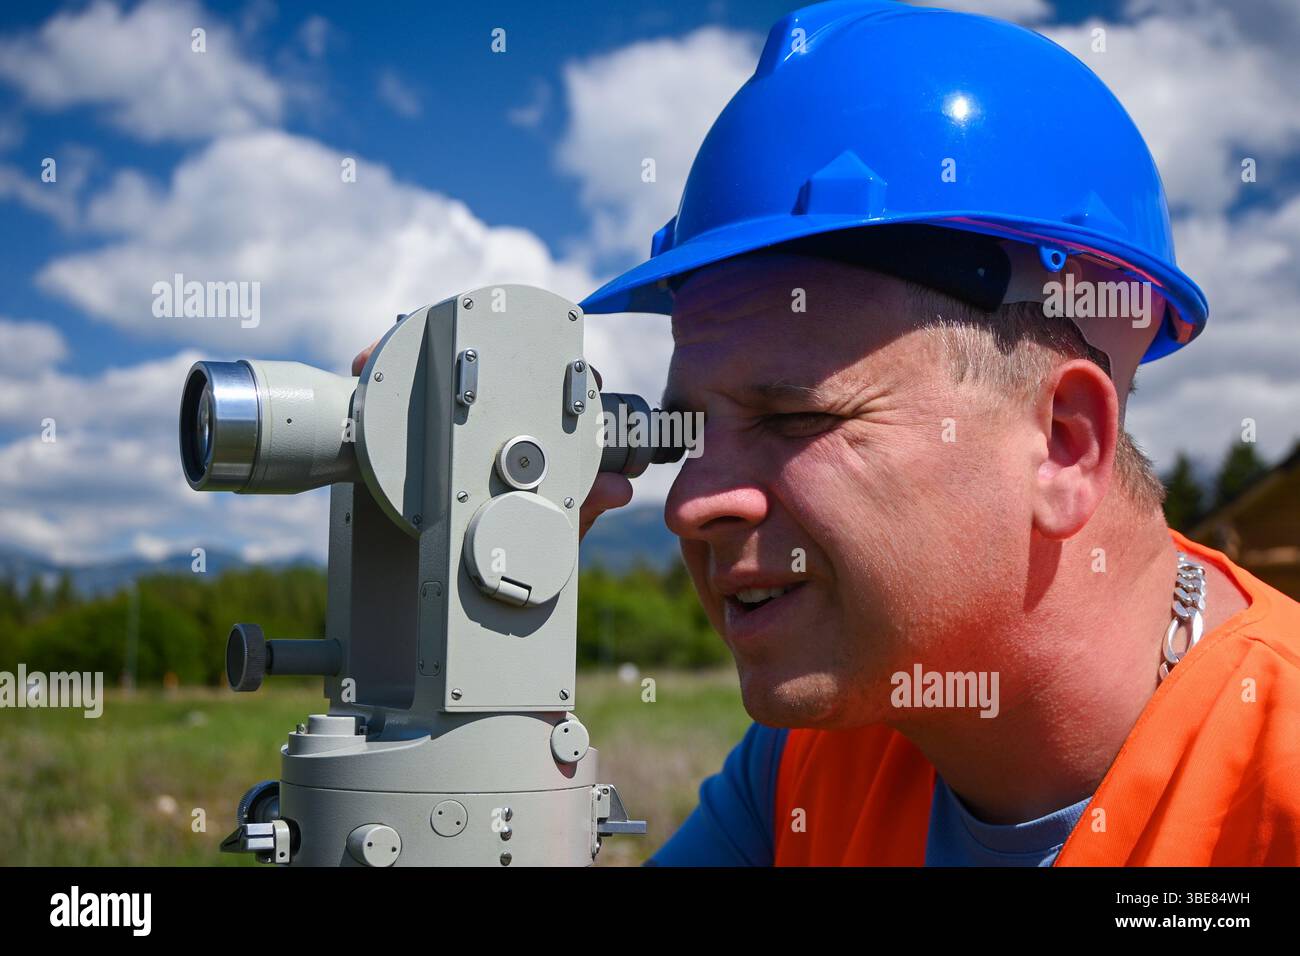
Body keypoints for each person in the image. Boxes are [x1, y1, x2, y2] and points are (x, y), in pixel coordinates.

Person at [355, 0, 1300, 865]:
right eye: (689, 428)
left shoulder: (1277, 775)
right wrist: (462, 672)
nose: (687, 505)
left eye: (796, 413)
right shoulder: (814, 760)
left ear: (1061, 443)